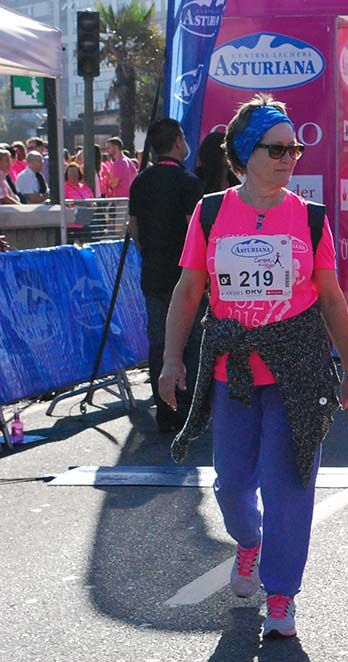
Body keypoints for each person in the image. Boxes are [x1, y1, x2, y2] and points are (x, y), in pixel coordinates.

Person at [160, 94, 348, 640]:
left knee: (290, 488)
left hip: (298, 371)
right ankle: (248, 544)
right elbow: (187, 292)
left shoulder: (311, 218)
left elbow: (331, 300)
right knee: (231, 488)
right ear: (246, 152)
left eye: (295, 149)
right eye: (277, 148)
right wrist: (169, 361)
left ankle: (281, 595)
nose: (290, 157)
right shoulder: (209, 212)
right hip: (234, 372)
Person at [127, 118, 205, 432]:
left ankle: (165, 408)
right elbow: (194, 231)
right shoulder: (189, 182)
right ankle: (189, 410)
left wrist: (148, 252)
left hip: (153, 274)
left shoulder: (140, 181)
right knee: (192, 341)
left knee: (159, 342)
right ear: (176, 142)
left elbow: (133, 228)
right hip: (186, 278)